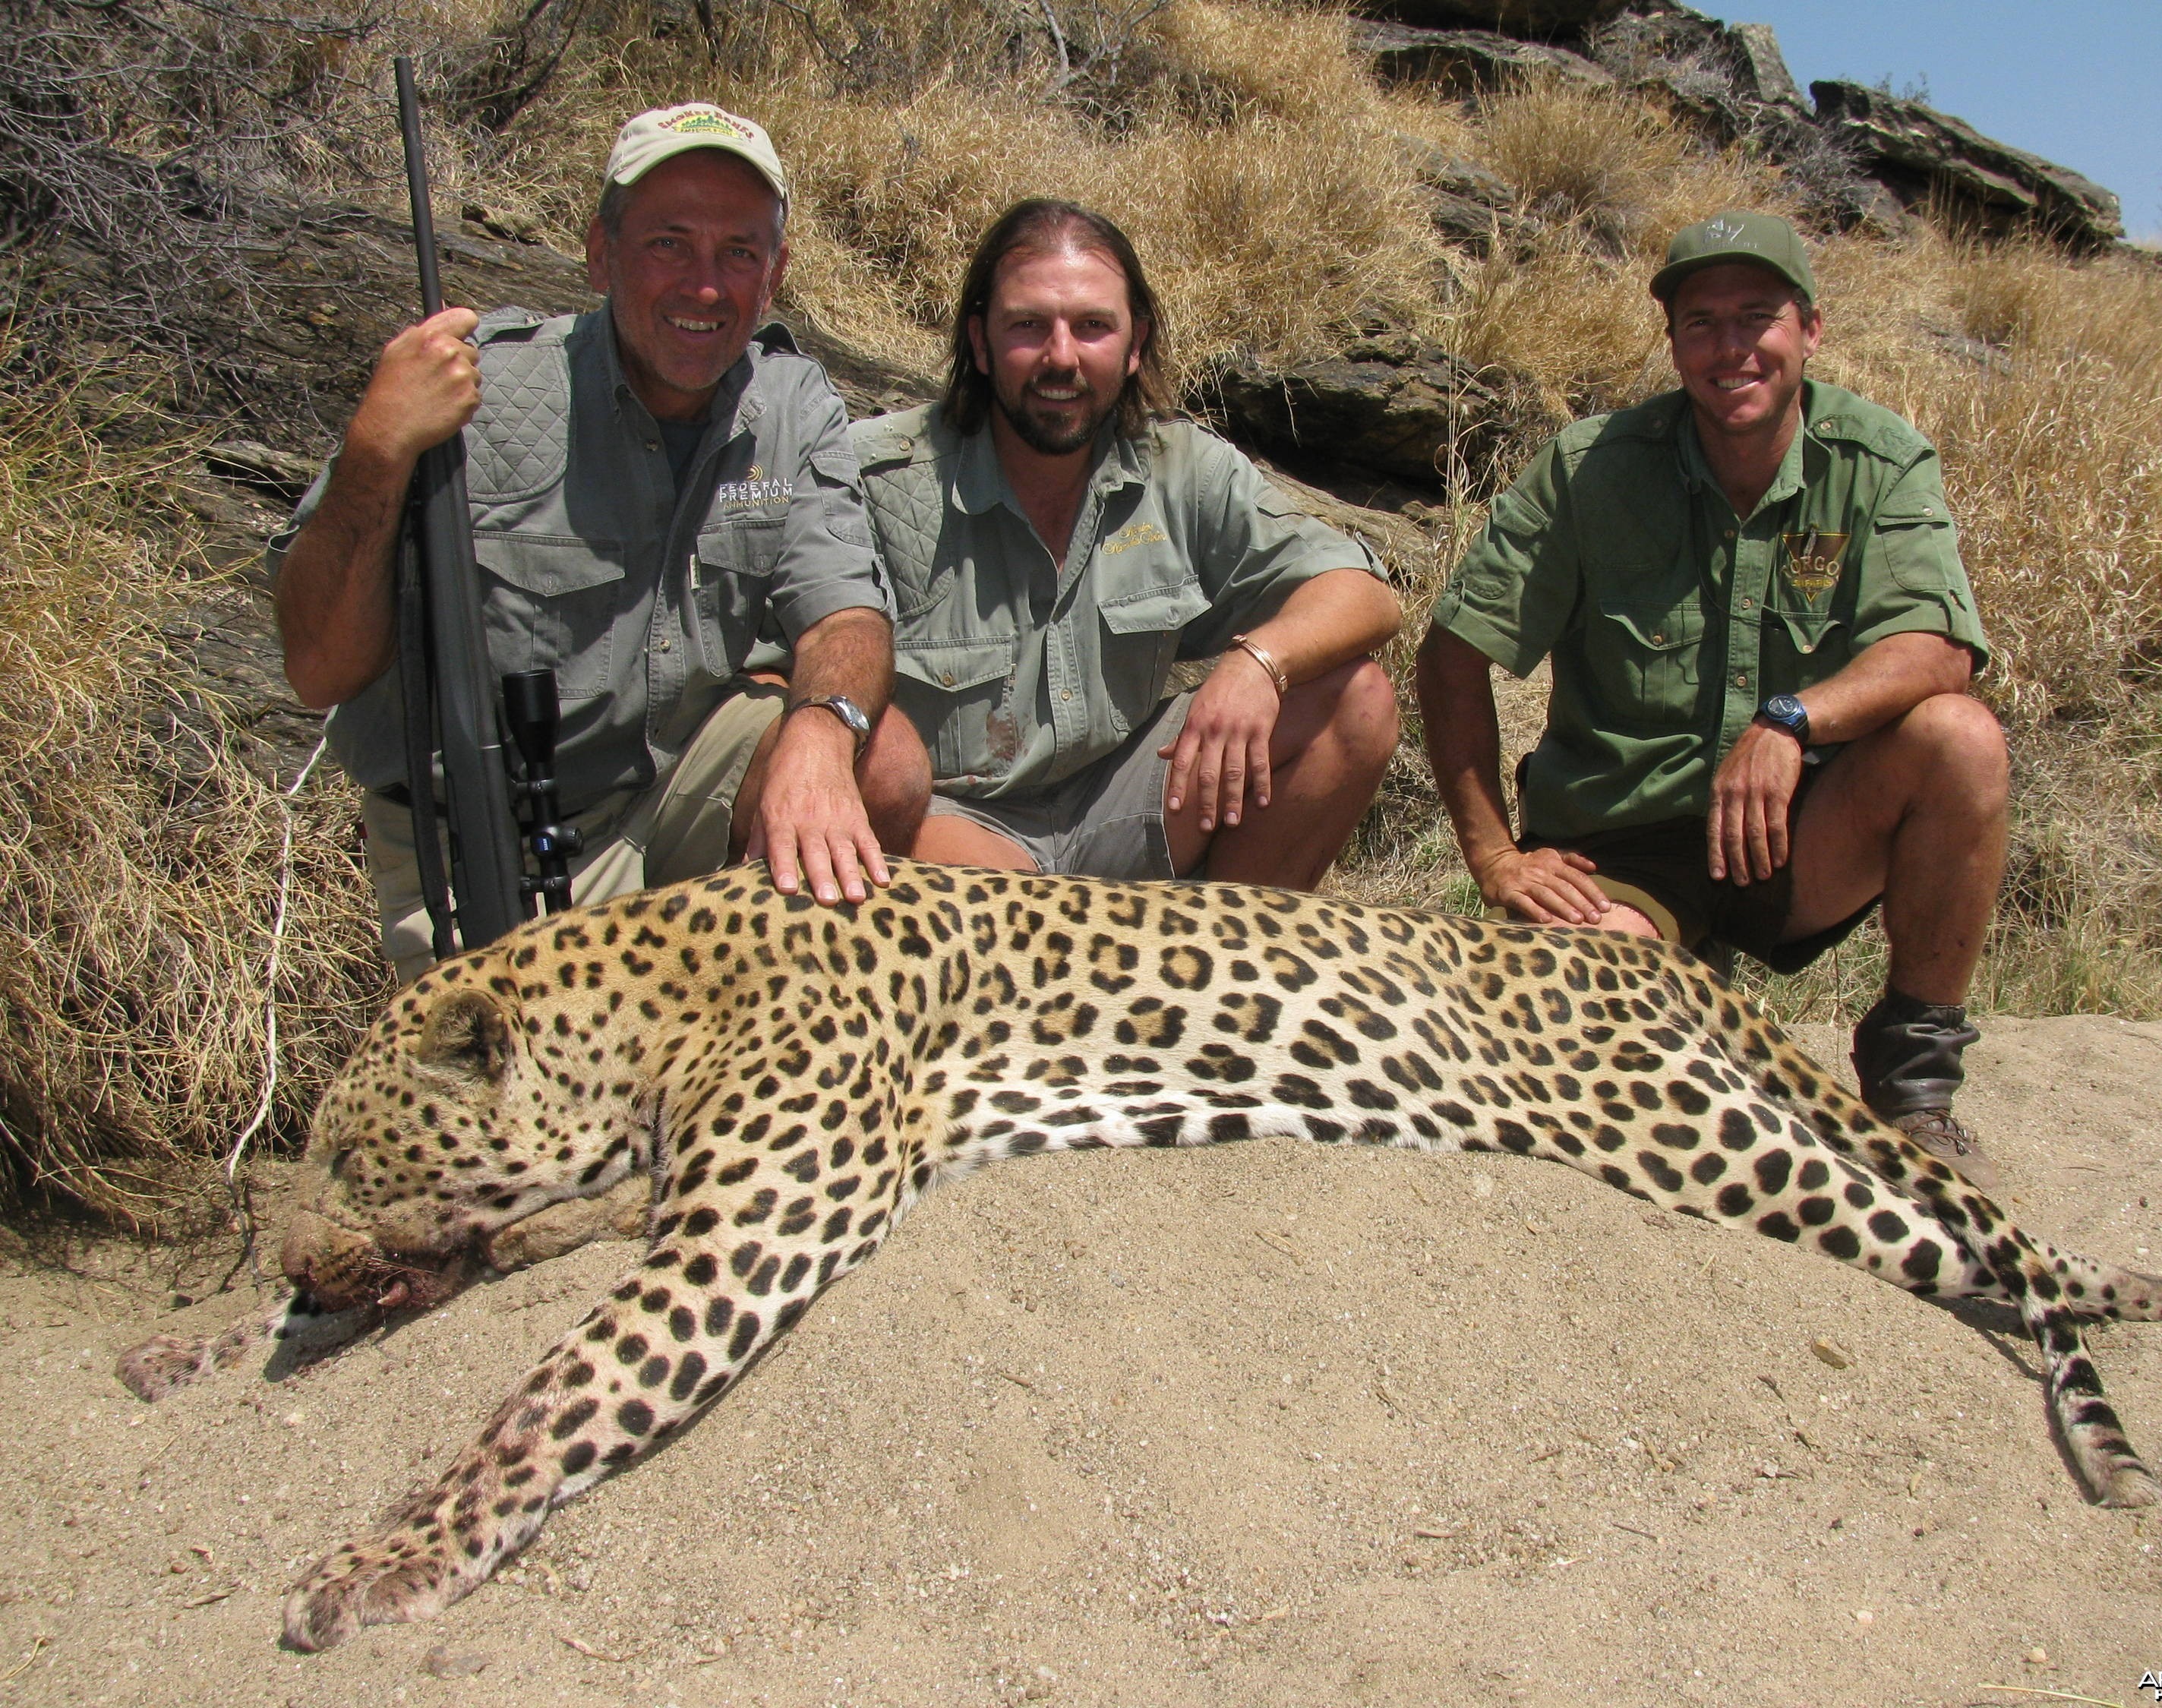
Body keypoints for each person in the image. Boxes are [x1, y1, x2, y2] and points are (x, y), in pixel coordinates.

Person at [1417, 211, 2009, 1186]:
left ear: (1809, 331)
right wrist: (1492, 852)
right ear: (1674, 342)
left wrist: (1791, 722)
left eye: (1757, 317)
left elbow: (1938, 650)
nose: (1731, 347)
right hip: (1623, 846)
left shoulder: (1880, 460)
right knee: (1571, 1044)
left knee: (1960, 740)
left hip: (1792, 834)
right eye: (1701, 322)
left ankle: (1913, 1082)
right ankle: (1677, 988)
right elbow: (1450, 656)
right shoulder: (1588, 468)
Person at [273, 103, 931, 980]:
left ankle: (745, 1015)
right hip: (480, 830)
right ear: (599, 252)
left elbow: (845, 613)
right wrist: (376, 451)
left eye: (738, 251)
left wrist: (820, 730)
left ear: (773, 276)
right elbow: (319, 668)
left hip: (665, 781)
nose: (705, 285)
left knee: (879, 760)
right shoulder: (481, 390)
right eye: (668, 242)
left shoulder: (791, 398)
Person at [852, 199, 1401, 888]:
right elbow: (783, 670)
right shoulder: (874, 479)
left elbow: (1364, 593)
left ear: (1135, 343)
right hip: (953, 830)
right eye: (1028, 326)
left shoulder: (1181, 466)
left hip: (1129, 798)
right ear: (981, 343)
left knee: (1356, 703)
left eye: (1093, 327)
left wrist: (1258, 664)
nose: (1061, 357)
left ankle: (1227, 960)